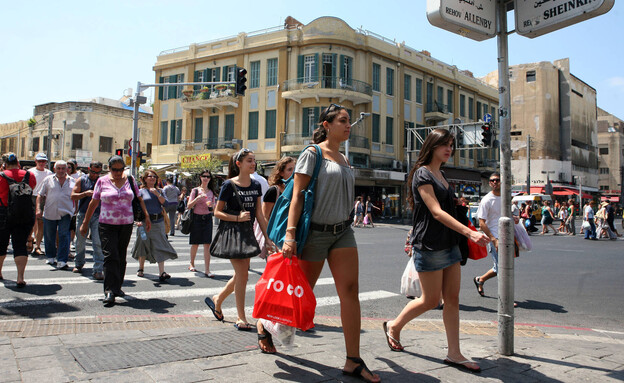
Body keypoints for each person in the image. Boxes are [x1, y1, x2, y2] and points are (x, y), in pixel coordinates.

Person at [277, 104, 381, 382]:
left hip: (343, 232)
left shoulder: (345, 158)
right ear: (326, 124)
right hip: (316, 234)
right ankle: (268, 324)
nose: (348, 125)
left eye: (349, 121)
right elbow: (297, 196)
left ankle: (353, 360)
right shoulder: (312, 154)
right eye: (343, 121)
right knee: (302, 294)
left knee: (350, 291)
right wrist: (290, 234)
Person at [384, 129, 487, 374]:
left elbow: (446, 209)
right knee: (430, 300)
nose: (449, 149)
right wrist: (470, 233)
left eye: (451, 144)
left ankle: (454, 353)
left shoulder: (442, 174)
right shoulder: (422, 173)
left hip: (449, 243)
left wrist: (458, 205)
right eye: (444, 144)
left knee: (452, 300)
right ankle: (394, 327)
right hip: (429, 243)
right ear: (431, 146)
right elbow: (436, 212)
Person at [207, 149, 274, 331]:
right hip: (232, 233)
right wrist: (237, 217)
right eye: (249, 161)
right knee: (243, 275)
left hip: (248, 233)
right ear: (239, 164)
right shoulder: (229, 185)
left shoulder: (256, 185)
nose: (253, 164)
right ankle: (241, 317)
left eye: (254, 161)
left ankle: (218, 299)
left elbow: (259, 214)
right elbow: (217, 212)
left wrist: (267, 238)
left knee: (240, 274)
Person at [79, 156, 150, 306]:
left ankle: (117, 287)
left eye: (120, 169)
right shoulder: (102, 181)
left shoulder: (130, 180)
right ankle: (109, 290)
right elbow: (94, 202)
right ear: (109, 169)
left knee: (121, 255)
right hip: (106, 224)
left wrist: (147, 217)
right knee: (110, 256)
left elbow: (139, 199)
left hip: (126, 224)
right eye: (114, 170)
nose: (118, 173)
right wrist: (85, 223)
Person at [132, 170, 178, 281]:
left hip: (158, 222)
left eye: (154, 176)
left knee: (160, 244)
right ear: (145, 178)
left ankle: (162, 272)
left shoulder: (160, 191)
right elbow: (135, 207)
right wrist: (137, 221)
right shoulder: (140, 191)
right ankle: (141, 268)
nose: (152, 178)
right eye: (149, 176)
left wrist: (157, 194)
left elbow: (166, 203)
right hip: (143, 223)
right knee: (142, 243)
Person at [0, 153, 37, 287]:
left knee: (1, 244)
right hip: (24, 214)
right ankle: (20, 277)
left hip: (3, 213)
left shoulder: (1, 175)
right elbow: (31, 188)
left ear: (4, 164)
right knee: (20, 245)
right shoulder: (29, 175)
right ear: (18, 163)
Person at [37, 160, 75, 270]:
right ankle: (50, 256)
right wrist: (38, 208)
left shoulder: (72, 181)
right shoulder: (48, 180)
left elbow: (75, 195)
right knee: (49, 235)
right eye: (58, 168)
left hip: (66, 213)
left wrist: (75, 209)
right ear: (54, 169)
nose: (61, 170)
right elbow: (40, 195)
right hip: (50, 212)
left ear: (67, 169)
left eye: (63, 168)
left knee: (64, 235)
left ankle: (62, 260)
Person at [71, 161, 104, 280]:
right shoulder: (81, 180)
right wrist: (85, 194)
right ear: (89, 169)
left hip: (98, 214)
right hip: (83, 213)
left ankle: (98, 269)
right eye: (93, 172)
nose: (95, 174)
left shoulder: (103, 181)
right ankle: (78, 263)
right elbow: (73, 195)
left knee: (98, 242)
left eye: (98, 172)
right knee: (80, 240)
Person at [473, 172, 502, 299]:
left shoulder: (506, 197)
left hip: (506, 236)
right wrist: (493, 239)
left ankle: (481, 279)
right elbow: (482, 223)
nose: (495, 182)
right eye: (492, 180)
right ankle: (505, 299)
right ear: (490, 183)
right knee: (502, 269)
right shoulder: (486, 200)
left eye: (497, 180)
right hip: (496, 237)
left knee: (501, 268)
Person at [187, 170, 217, 277]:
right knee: (195, 243)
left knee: (207, 244)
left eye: (208, 177)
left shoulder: (211, 192)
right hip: (196, 218)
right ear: (200, 177)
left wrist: (211, 206)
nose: (206, 178)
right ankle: (192, 263)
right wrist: (197, 199)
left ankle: (207, 270)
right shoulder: (195, 190)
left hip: (207, 218)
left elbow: (213, 209)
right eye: (204, 176)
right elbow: (189, 206)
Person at [28, 153, 52, 256]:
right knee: (30, 222)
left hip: (43, 198)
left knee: (40, 222)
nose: (42, 163)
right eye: (40, 161)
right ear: (36, 161)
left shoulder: (49, 173)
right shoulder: (30, 172)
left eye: (44, 161)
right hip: (31, 197)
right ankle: (29, 241)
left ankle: (37, 246)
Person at [261, 156, 295, 222]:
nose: (293, 172)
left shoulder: (297, 190)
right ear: (281, 173)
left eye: (295, 169)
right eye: (290, 169)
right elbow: (264, 216)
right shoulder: (273, 191)